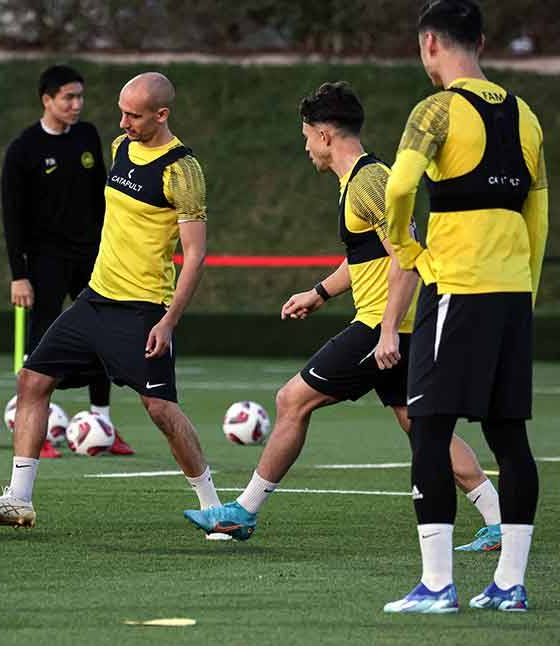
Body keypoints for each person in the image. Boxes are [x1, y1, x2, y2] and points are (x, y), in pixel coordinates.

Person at [183, 82, 503, 551]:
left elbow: (406, 256)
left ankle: (242, 513)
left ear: (326, 134)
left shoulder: (369, 183)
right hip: (399, 323)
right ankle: (498, 520)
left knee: (293, 399)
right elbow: (367, 257)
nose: (306, 145)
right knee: (421, 424)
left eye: (308, 134)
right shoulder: (360, 181)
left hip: (382, 327)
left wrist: (388, 329)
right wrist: (318, 293)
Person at [0, 72, 227, 538]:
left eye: (134, 115)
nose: (123, 122)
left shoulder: (182, 169)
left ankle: (215, 509)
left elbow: (194, 255)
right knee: (31, 380)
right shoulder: (120, 147)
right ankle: (19, 499)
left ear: (162, 114)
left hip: (142, 309)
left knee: (160, 410)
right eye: (121, 111)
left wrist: (169, 321)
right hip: (94, 300)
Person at [382, 0, 546, 614]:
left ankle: (437, 585)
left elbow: (399, 187)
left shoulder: (435, 109)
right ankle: (509, 583)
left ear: (430, 44)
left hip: (457, 288)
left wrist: (403, 243)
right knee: (511, 438)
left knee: (429, 429)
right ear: (479, 40)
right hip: (510, 294)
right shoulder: (525, 115)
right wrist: (525, 292)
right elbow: (540, 213)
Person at [1, 64, 134, 457]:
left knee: (105, 334)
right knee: (41, 343)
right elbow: (12, 216)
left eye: (80, 97)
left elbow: (103, 198)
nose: (76, 105)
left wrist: (113, 249)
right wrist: (18, 275)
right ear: (47, 100)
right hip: (45, 261)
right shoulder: (23, 149)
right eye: (68, 98)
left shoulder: (89, 136)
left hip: (93, 256)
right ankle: (36, 433)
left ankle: (103, 425)